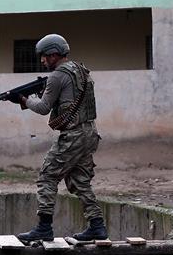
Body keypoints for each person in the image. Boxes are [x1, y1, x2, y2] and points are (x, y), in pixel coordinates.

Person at [11, 34, 106, 242]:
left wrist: (24, 100)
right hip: (89, 133)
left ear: (54, 54)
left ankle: (44, 228)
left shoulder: (57, 76)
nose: (42, 60)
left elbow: (43, 108)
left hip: (73, 135)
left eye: (44, 56)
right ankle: (97, 226)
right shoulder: (80, 70)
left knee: (48, 176)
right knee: (80, 181)